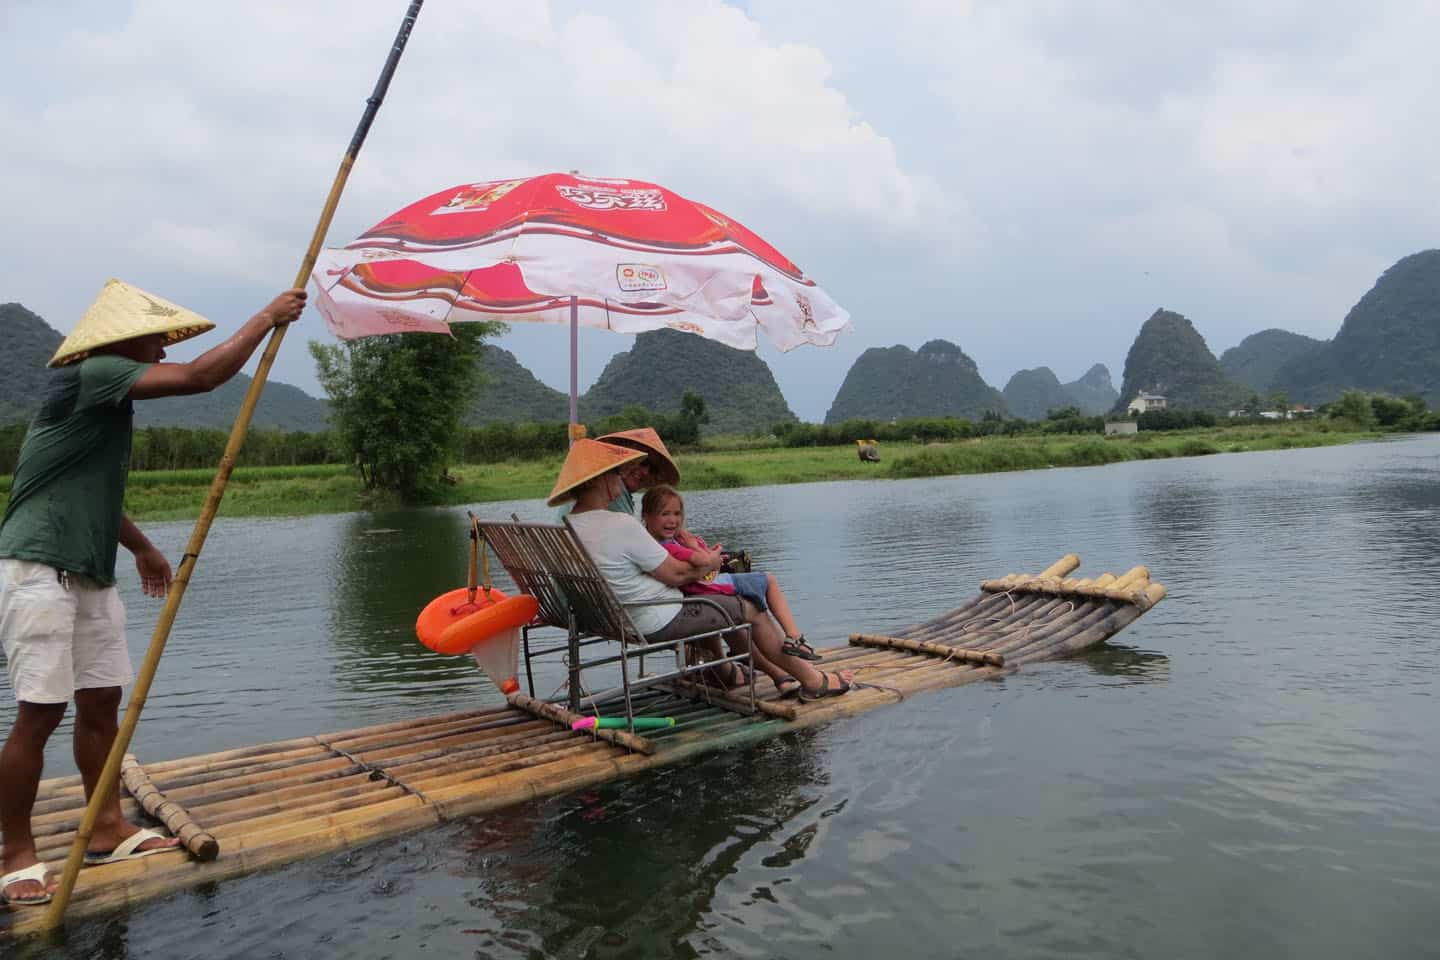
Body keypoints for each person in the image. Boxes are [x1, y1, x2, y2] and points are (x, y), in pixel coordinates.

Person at [0, 280, 307, 906]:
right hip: (39, 568)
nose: (163, 353)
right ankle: (15, 854)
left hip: (86, 569)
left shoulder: (107, 403)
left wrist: (138, 545)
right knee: (41, 712)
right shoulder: (93, 374)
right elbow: (199, 378)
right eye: (156, 341)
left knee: (101, 701)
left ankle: (109, 826)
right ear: (122, 341)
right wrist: (266, 317)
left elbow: (86, 492)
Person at [548, 439, 852, 705]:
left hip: (613, 616)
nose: (621, 477)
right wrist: (710, 562)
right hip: (655, 617)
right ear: (601, 480)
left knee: (722, 600)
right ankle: (813, 682)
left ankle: (732, 671)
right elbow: (678, 575)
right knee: (752, 608)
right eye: (617, 472)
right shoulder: (618, 523)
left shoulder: (569, 526)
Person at [640, 484, 821, 662]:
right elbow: (704, 561)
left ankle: (750, 650)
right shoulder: (670, 547)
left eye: (677, 514)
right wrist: (694, 545)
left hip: (702, 585)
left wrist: (708, 554)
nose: (673, 521)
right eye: (665, 514)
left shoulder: (654, 545)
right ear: (646, 516)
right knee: (768, 580)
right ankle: (793, 636)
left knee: (753, 585)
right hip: (709, 587)